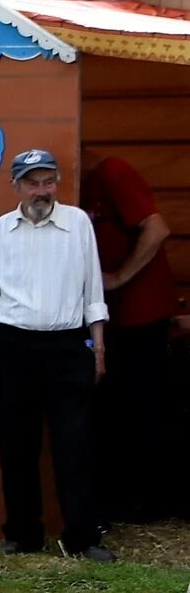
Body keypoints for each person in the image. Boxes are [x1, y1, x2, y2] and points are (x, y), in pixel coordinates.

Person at [0, 149, 111, 560]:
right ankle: (23, 534)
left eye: (48, 182)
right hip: (13, 345)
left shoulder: (78, 224)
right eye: (32, 183)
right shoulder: (0, 231)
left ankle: (82, 538)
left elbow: (93, 291)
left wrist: (99, 347)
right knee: (17, 445)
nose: (41, 191)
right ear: (16, 186)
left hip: (68, 344)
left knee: (75, 442)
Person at [85, 151, 175, 525]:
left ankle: (151, 502)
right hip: (110, 317)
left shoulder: (112, 171)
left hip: (142, 314)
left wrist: (120, 276)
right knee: (114, 408)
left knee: (144, 408)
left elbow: (157, 227)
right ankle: (121, 499)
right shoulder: (75, 185)